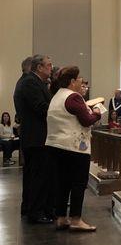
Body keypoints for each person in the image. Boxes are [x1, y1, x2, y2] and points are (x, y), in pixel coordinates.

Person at [46, 66, 101, 231]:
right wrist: (97, 112)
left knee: (62, 183)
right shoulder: (73, 97)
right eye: (79, 80)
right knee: (78, 183)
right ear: (72, 82)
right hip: (74, 147)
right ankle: (76, 219)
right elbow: (86, 120)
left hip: (55, 145)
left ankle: (61, 217)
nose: (81, 82)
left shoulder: (57, 96)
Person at [13, 54, 54, 223]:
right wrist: (60, 108)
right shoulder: (31, 82)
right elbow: (40, 107)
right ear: (39, 67)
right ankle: (36, 212)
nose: (51, 68)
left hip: (34, 136)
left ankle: (30, 207)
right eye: (49, 65)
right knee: (38, 175)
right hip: (37, 137)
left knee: (33, 175)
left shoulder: (30, 81)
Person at [12, 57, 32, 215]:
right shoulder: (27, 83)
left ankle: (29, 205)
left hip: (28, 133)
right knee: (33, 173)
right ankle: (32, 207)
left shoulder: (22, 82)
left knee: (30, 173)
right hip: (32, 134)